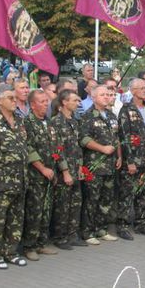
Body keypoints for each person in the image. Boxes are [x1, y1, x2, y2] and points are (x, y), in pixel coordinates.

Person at [0, 84, 39, 269]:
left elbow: (26, 145)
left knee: (16, 218)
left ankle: (11, 251)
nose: (14, 101)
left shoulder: (20, 120)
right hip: (0, 181)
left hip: (20, 179)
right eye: (10, 98)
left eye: (14, 97)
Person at [80, 85, 123, 243]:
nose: (106, 97)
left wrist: (119, 156)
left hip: (110, 165)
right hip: (95, 166)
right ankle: (88, 232)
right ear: (93, 97)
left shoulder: (111, 116)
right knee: (92, 199)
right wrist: (102, 148)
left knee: (106, 199)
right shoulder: (88, 116)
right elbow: (84, 139)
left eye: (108, 94)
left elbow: (116, 138)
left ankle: (101, 229)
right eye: (103, 95)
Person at [117, 79, 145, 237]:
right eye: (141, 88)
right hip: (134, 160)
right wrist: (130, 161)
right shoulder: (126, 110)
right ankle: (122, 225)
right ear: (133, 91)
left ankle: (142, 223)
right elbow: (124, 137)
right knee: (127, 193)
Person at [23, 89, 58, 260]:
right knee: (34, 211)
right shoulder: (27, 123)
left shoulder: (48, 122)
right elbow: (28, 148)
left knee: (46, 210)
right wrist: (42, 168)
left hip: (50, 174)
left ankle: (41, 243)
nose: (46, 104)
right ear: (32, 104)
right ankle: (29, 245)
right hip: (36, 175)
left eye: (47, 101)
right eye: (42, 101)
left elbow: (56, 147)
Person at [50, 89, 86, 250]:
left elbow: (78, 147)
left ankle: (72, 234)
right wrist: (65, 171)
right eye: (74, 100)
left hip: (75, 167)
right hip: (63, 170)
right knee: (62, 205)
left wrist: (79, 166)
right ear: (64, 102)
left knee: (75, 203)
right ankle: (60, 236)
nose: (78, 103)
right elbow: (57, 149)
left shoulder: (74, 121)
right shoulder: (56, 122)